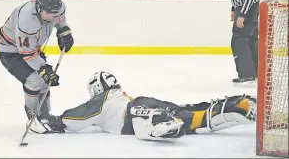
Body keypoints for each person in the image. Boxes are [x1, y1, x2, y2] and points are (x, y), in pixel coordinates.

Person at [52, 71, 257, 141]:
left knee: (150, 119)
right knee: (191, 117)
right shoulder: (120, 95)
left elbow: (80, 117)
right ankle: (235, 106)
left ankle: (161, 121)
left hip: (137, 111)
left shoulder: (103, 100)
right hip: (146, 104)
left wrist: (58, 121)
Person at [0, 0, 73, 134]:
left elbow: (60, 20)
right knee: (34, 80)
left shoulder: (58, 8)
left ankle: (44, 115)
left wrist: (64, 31)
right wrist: (44, 69)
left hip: (31, 48)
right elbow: (27, 53)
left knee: (45, 81)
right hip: (10, 51)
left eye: (54, 12)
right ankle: (32, 117)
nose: (52, 16)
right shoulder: (25, 19)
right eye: (48, 13)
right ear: (39, 8)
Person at [230, 0, 259, 84]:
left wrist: (242, 14)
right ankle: (255, 71)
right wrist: (234, 8)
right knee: (250, 41)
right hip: (245, 8)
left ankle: (247, 74)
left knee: (239, 41)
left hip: (246, 9)